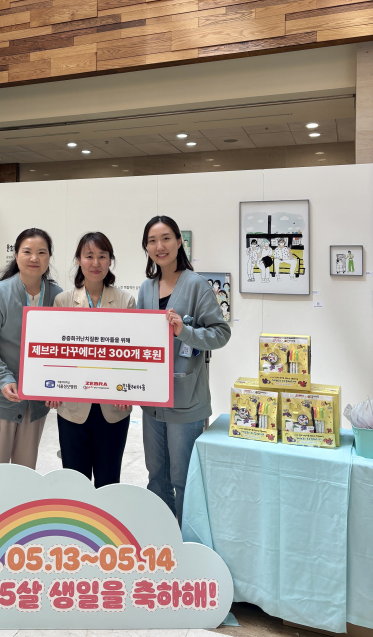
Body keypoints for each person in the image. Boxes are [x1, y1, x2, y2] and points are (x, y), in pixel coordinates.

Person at [138, 215, 231, 526]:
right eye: (152, 241)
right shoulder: (146, 289)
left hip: (186, 399)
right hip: (152, 400)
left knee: (183, 477)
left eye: (166, 238)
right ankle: (161, 534)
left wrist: (185, 332)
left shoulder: (196, 285)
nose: (160, 246)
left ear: (179, 242)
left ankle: (186, 540)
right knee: (156, 476)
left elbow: (221, 334)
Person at [47, 232, 135, 488]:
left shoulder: (126, 301)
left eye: (102, 256)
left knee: (109, 481)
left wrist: (128, 390)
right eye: (89, 256)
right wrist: (50, 387)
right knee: (75, 480)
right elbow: (55, 351)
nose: (95, 263)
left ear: (110, 261)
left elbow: (132, 354)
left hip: (114, 407)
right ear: (79, 260)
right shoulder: (63, 301)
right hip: (73, 407)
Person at [0, 228, 62, 469]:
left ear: (49, 257)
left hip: (36, 402)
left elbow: (62, 347)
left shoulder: (57, 297)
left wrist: (57, 386)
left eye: (42, 252)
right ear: (16, 255)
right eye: (27, 251)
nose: (34, 258)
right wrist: (4, 379)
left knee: (25, 472)